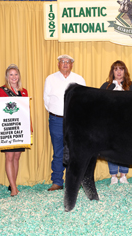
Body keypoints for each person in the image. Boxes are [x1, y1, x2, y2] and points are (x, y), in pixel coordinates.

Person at [44, 54, 86, 191]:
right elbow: (46, 101)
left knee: (74, 151)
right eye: (62, 61)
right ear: (58, 64)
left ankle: (72, 181)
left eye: (68, 62)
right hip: (56, 119)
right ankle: (57, 181)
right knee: (58, 152)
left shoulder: (79, 79)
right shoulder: (50, 79)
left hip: (74, 121)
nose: (65, 64)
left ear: (72, 65)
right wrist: (56, 112)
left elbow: (83, 99)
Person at [100, 60, 132, 185]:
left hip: (127, 124)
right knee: (111, 149)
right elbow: (99, 104)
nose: (118, 72)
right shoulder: (106, 86)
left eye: (121, 69)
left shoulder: (131, 86)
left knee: (125, 149)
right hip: (110, 124)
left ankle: (123, 175)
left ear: (124, 71)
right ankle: (113, 175)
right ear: (112, 72)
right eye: (116, 69)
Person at [0, 64, 33, 197]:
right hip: (8, 127)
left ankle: (14, 184)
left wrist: (30, 127)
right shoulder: (1, 90)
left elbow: (26, 110)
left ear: (19, 76)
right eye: (11, 74)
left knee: (17, 156)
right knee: (9, 156)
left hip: (20, 127)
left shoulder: (24, 91)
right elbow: (4, 107)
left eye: (16, 74)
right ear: (7, 77)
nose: (14, 77)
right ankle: (13, 188)